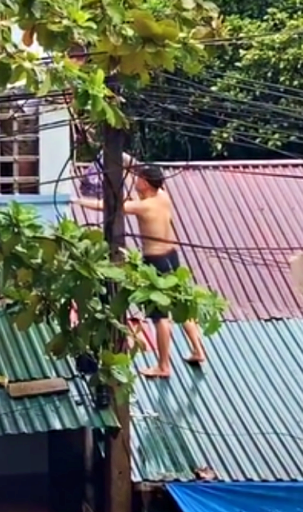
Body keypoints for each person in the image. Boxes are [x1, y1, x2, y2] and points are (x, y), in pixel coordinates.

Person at [74, 162, 207, 379]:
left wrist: (76, 200)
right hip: (173, 257)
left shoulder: (144, 206)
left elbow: (108, 206)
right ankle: (198, 350)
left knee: (160, 316)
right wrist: (113, 157)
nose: (135, 180)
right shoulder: (162, 196)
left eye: (138, 178)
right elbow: (137, 165)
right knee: (181, 304)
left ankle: (163, 366)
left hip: (156, 261)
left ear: (145, 183)